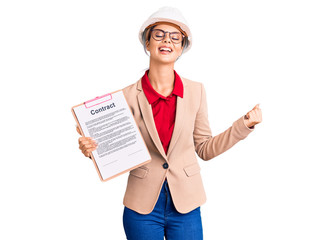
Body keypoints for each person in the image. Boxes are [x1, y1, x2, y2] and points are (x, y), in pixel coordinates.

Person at [77, 6, 262, 240]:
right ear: (147, 42)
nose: (167, 41)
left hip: (186, 204)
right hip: (142, 207)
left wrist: (243, 125)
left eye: (175, 37)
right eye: (159, 34)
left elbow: (204, 148)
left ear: (182, 47)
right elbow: (117, 149)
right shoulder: (124, 98)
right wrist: (92, 149)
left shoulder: (196, 91)